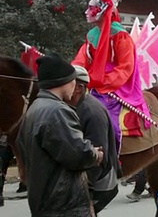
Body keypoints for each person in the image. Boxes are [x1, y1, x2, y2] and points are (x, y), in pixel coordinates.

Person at [72, 0, 151, 153]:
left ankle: (111, 158)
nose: (86, 11)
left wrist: (102, 83)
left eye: (91, 8)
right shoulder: (92, 34)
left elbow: (125, 67)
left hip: (115, 87)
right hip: (91, 82)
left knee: (108, 122)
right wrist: (71, 75)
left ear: (103, 9)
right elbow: (81, 60)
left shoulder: (120, 36)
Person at [17, 54, 103, 217]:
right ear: (64, 82)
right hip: (64, 205)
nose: (75, 86)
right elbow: (77, 154)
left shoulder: (34, 109)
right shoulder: (58, 111)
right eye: (73, 80)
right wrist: (95, 154)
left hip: (43, 202)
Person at [69, 65, 119, 214]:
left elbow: (97, 158)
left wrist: (85, 194)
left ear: (78, 87)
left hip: (96, 184)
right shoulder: (75, 106)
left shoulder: (92, 112)